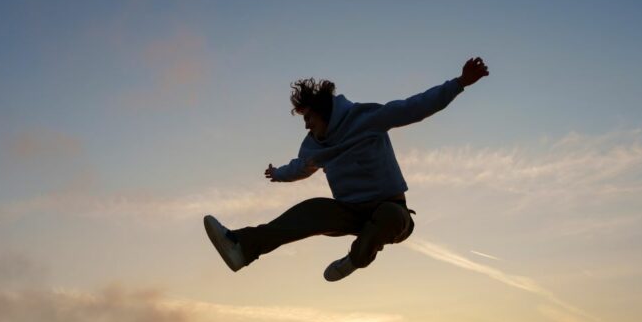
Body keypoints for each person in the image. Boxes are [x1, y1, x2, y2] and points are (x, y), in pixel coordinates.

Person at [204, 57, 489, 281]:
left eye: (310, 118)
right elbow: (301, 168)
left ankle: (355, 259)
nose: (306, 125)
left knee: (387, 216)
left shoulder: (367, 119)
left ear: (326, 113)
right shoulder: (313, 146)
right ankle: (242, 247)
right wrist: (278, 174)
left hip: (393, 212)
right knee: (311, 210)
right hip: (350, 213)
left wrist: (460, 82)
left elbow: (414, 107)